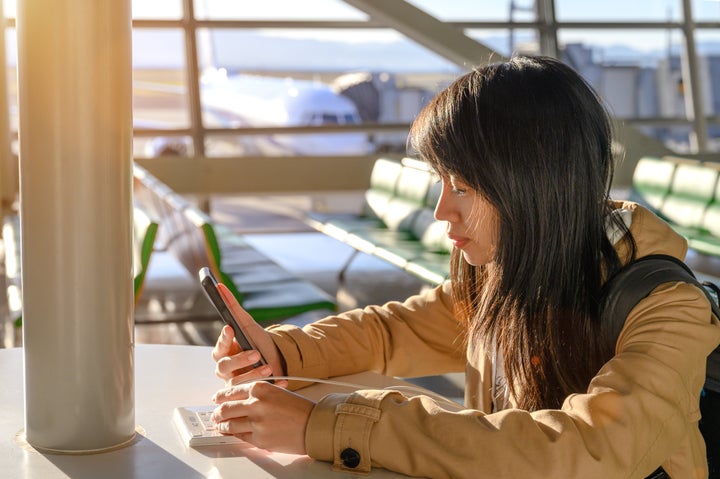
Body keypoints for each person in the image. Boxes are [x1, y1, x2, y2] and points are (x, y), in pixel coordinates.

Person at [210, 55, 720, 478]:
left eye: (463, 187)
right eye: (441, 182)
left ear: (530, 186)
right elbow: (396, 332)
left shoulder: (667, 308)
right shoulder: (507, 269)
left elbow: (587, 449)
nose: (440, 211)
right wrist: (285, 352)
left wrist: (327, 427)